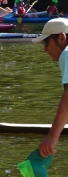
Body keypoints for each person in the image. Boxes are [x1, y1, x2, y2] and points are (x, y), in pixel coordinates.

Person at [32, 19, 68, 157]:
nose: (45, 48)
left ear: (61, 37)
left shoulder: (67, 53)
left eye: (46, 42)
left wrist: (52, 137)